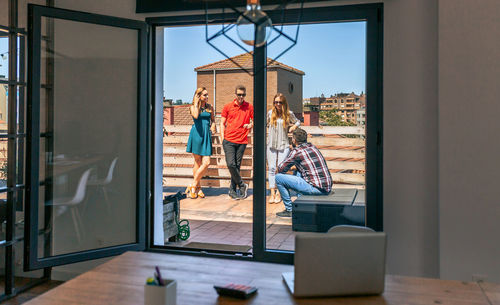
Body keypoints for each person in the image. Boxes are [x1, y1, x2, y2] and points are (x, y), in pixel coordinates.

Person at [275, 128, 333, 217]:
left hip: (316, 189)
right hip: (326, 188)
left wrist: (291, 157)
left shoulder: (296, 152)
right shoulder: (312, 147)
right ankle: (300, 203)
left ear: (294, 140)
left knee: (278, 177)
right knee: (298, 170)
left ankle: (289, 209)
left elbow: (281, 169)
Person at [220, 85, 254, 200]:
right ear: (235, 94)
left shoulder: (249, 107)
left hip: (242, 141)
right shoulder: (228, 106)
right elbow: (222, 123)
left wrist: (250, 125)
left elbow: (256, 120)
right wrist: (222, 138)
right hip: (228, 140)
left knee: (236, 166)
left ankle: (232, 190)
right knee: (231, 164)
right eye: (239, 94)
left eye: (243, 95)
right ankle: (242, 185)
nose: (241, 97)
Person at [267, 93, 300, 203]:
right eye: (276, 102)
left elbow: (298, 121)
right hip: (271, 144)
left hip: (284, 145)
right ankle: (272, 193)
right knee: (271, 168)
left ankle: (279, 193)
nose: (278, 104)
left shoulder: (288, 114)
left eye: (280, 102)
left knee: (280, 169)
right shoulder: (270, 113)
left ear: (284, 103)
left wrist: (294, 126)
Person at [185, 87, 216, 199]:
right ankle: (198, 188)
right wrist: (197, 103)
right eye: (204, 95)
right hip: (196, 134)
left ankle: (193, 185)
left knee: (206, 162)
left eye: (207, 95)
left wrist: (213, 125)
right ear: (198, 96)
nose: (207, 97)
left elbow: (213, 120)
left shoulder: (210, 107)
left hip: (206, 135)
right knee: (197, 162)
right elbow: (196, 116)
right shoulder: (193, 107)